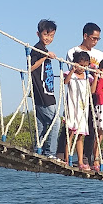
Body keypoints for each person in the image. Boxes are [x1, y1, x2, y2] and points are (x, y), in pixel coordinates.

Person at [64, 22, 103, 164]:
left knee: (93, 129)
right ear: (85, 36)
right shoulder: (73, 52)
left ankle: (91, 158)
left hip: (97, 96)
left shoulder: (99, 54)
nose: (95, 42)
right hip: (80, 96)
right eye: (93, 38)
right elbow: (74, 71)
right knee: (75, 128)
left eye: (98, 39)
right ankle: (70, 157)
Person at [29, 19, 59, 158]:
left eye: (52, 36)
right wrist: (45, 56)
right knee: (55, 121)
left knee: (41, 123)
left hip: (47, 90)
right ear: (38, 34)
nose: (49, 38)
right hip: (42, 92)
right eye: (46, 35)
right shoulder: (37, 49)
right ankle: (50, 153)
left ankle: (38, 150)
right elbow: (30, 67)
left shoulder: (43, 49)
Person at [64, 50, 93, 170]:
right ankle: (67, 159)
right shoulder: (70, 74)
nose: (83, 68)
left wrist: (95, 77)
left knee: (80, 136)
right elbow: (65, 82)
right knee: (70, 134)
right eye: (81, 65)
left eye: (86, 66)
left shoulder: (88, 76)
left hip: (82, 109)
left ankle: (80, 161)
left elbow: (92, 91)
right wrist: (72, 70)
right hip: (72, 107)